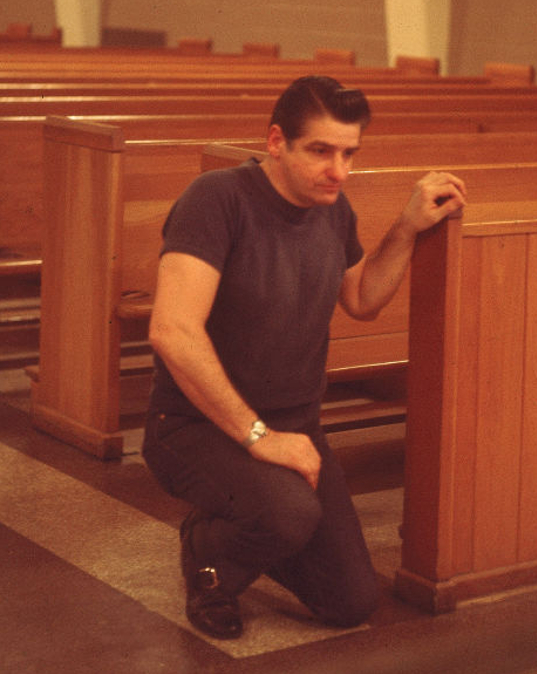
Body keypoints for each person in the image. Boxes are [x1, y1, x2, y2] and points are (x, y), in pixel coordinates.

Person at [141, 74, 467, 640]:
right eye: (320, 151)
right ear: (276, 142)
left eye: (348, 154)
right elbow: (172, 330)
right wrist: (260, 437)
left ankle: (250, 519)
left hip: (294, 427)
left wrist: (408, 226)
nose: (338, 171)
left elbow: (362, 298)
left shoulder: (332, 210)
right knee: (289, 515)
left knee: (352, 600)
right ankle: (208, 555)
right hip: (194, 427)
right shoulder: (217, 200)